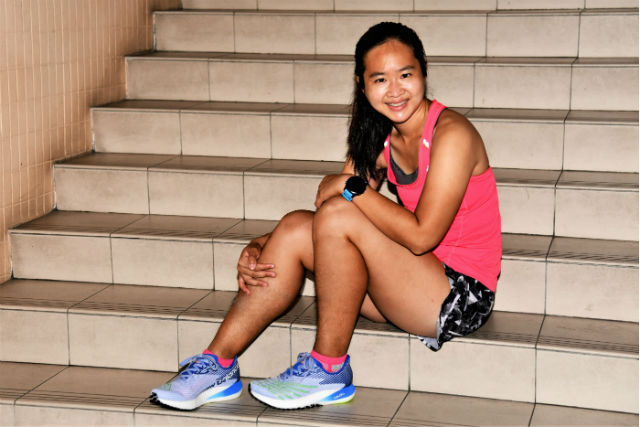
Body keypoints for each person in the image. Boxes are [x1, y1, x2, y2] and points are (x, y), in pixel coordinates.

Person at [150, 21, 501, 411]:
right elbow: (328, 217)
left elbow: (421, 236)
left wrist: (352, 187)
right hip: (408, 283)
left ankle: (328, 369)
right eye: (380, 79)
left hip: (458, 295)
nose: (395, 90)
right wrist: (263, 244)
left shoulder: (452, 134)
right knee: (295, 225)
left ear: (424, 72)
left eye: (405, 75)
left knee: (340, 211)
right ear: (362, 85)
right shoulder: (380, 134)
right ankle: (216, 365)